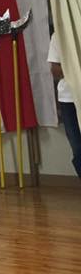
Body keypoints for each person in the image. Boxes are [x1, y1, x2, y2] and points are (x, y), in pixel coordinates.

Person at [48, 31, 81, 179]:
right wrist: (74, 65)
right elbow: (55, 71)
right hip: (69, 100)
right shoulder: (59, 35)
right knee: (77, 148)